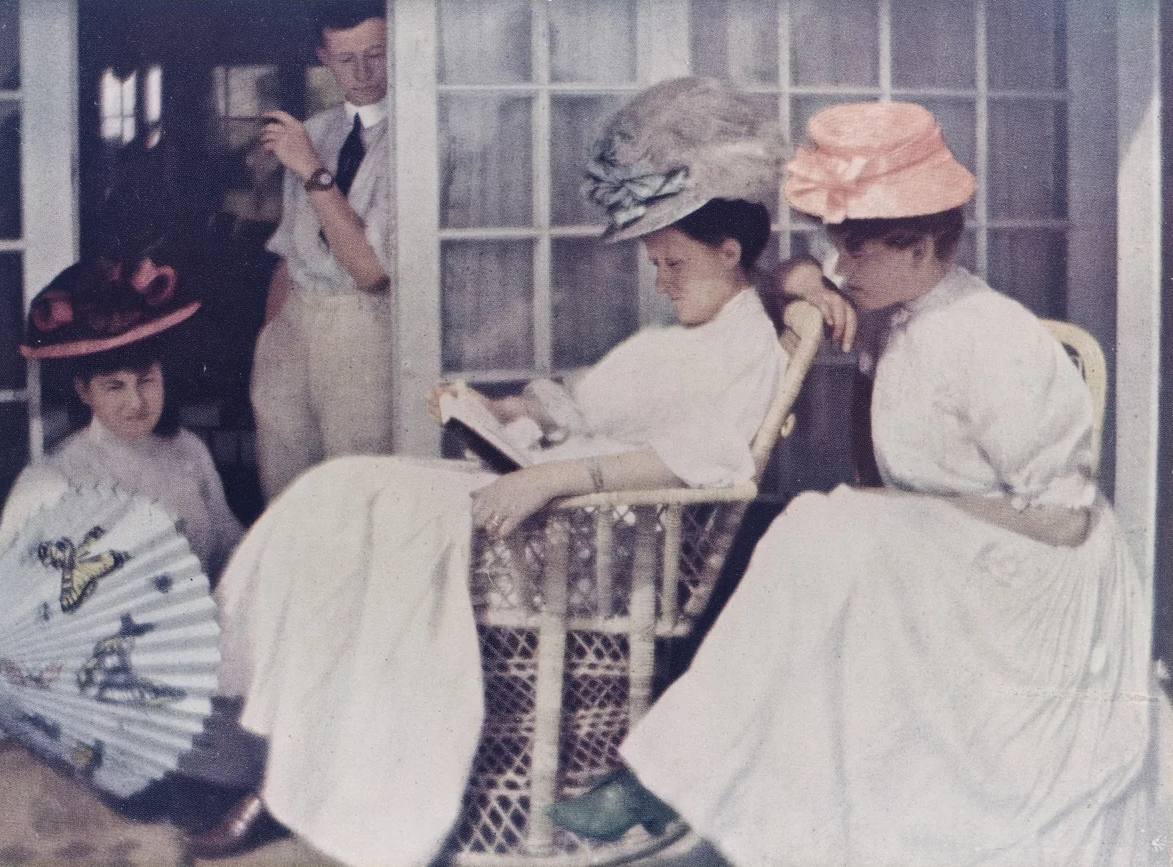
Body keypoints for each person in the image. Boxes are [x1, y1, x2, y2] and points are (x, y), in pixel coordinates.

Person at [185, 77, 851, 865]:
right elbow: (586, 402)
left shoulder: (738, 344)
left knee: (359, 506)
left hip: (574, 538)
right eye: (656, 262)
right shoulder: (692, 331)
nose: (662, 280)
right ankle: (280, 750)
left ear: (729, 251)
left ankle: (300, 776)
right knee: (339, 490)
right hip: (544, 507)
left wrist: (546, 479)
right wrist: (501, 412)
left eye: (672, 261)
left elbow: (702, 462)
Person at [549, 102, 1167, 866]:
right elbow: (780, 278)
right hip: (941, 564)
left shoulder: (996, 340)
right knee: (826, 530)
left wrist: (905, 520)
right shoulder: (892, 299)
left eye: (860, 251)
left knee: (825, 527)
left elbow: (1064, 522)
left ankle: (664, 777)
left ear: (926, 245)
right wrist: (812, 284)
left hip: (1040, 589)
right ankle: (675, 776)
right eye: (838, 246)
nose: (844, 267)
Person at [0, 255, 262, 810]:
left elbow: (232, 547)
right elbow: (22, 621)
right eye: (114, 386)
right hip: (104, 678)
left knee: (266, 738)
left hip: (195, 654)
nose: (136, 401)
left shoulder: (188, 452)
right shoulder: (56, 480)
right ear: (83, 391)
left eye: (147, 380)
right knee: (221, 769)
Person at [251, 0, 394, 502]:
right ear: (325, 58)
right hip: (294, 325)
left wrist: (312, 169)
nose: (361, 72)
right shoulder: (316, 130)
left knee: (355, 486)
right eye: (346, 57)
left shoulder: (416, 136)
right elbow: (290, 251)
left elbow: (371, 271)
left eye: (376, 54)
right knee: (285, 488)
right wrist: (271, 338)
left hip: (362, 326)